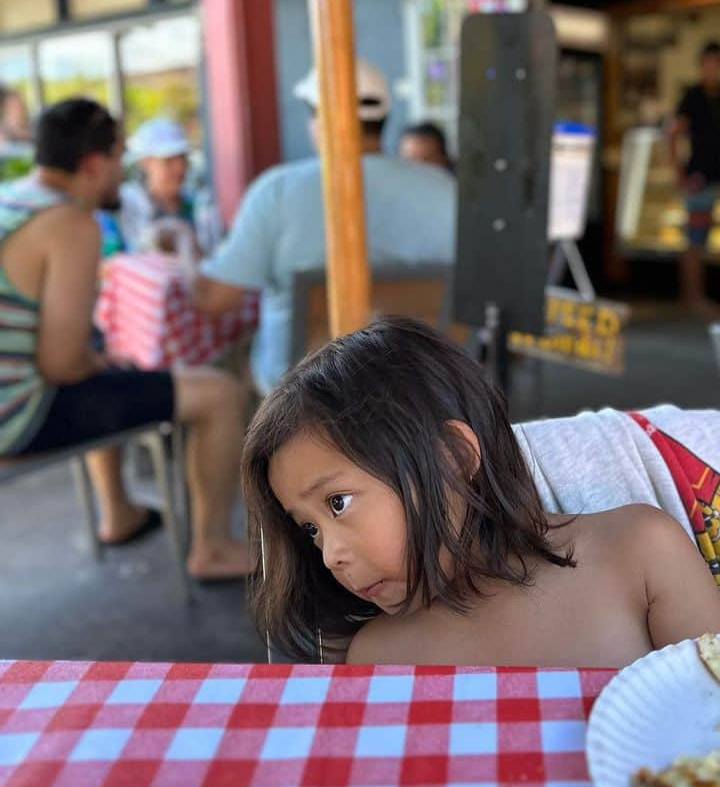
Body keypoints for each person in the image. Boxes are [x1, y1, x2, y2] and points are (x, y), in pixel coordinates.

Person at [242, 317, 720, 666]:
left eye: (338, 503)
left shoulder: (641, 552)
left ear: (453, 458)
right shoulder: (379, 655)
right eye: (309, 529)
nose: (330, 556)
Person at [0, 99, 251, 578]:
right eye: (118, 158)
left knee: (111, 373)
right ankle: (213, 548)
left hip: (11, 397)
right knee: (219, 392)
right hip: (16, 417)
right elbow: (62, 365)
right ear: (93, 164)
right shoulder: (70, 222)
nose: (122, 172)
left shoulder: (12, 198)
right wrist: (100, 364)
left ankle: (118, 515)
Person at [194, 58, 456, 396]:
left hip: (307, 396)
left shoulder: (277, 191)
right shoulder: (444, 188)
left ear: (322, 118)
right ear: (385, 119)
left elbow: (213, 300)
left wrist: (187, 254)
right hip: (418, 389)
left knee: (237, 365)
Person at [666, 40, 720, 313]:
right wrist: (679, 174)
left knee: (700, 240)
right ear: (702, 65)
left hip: (715, 176)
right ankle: (692, 297)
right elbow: (672, 133)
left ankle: (693, 296)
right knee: (694, 240)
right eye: (710, 64)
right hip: (698, 176)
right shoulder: (692, 96)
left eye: (718, 64)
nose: (714, 69)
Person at [118, 116, 220, 258]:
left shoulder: (201, 206)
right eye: (169, 161)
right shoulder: (127, 206)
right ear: (146, 163)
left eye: (182, 158)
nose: (180, 168)